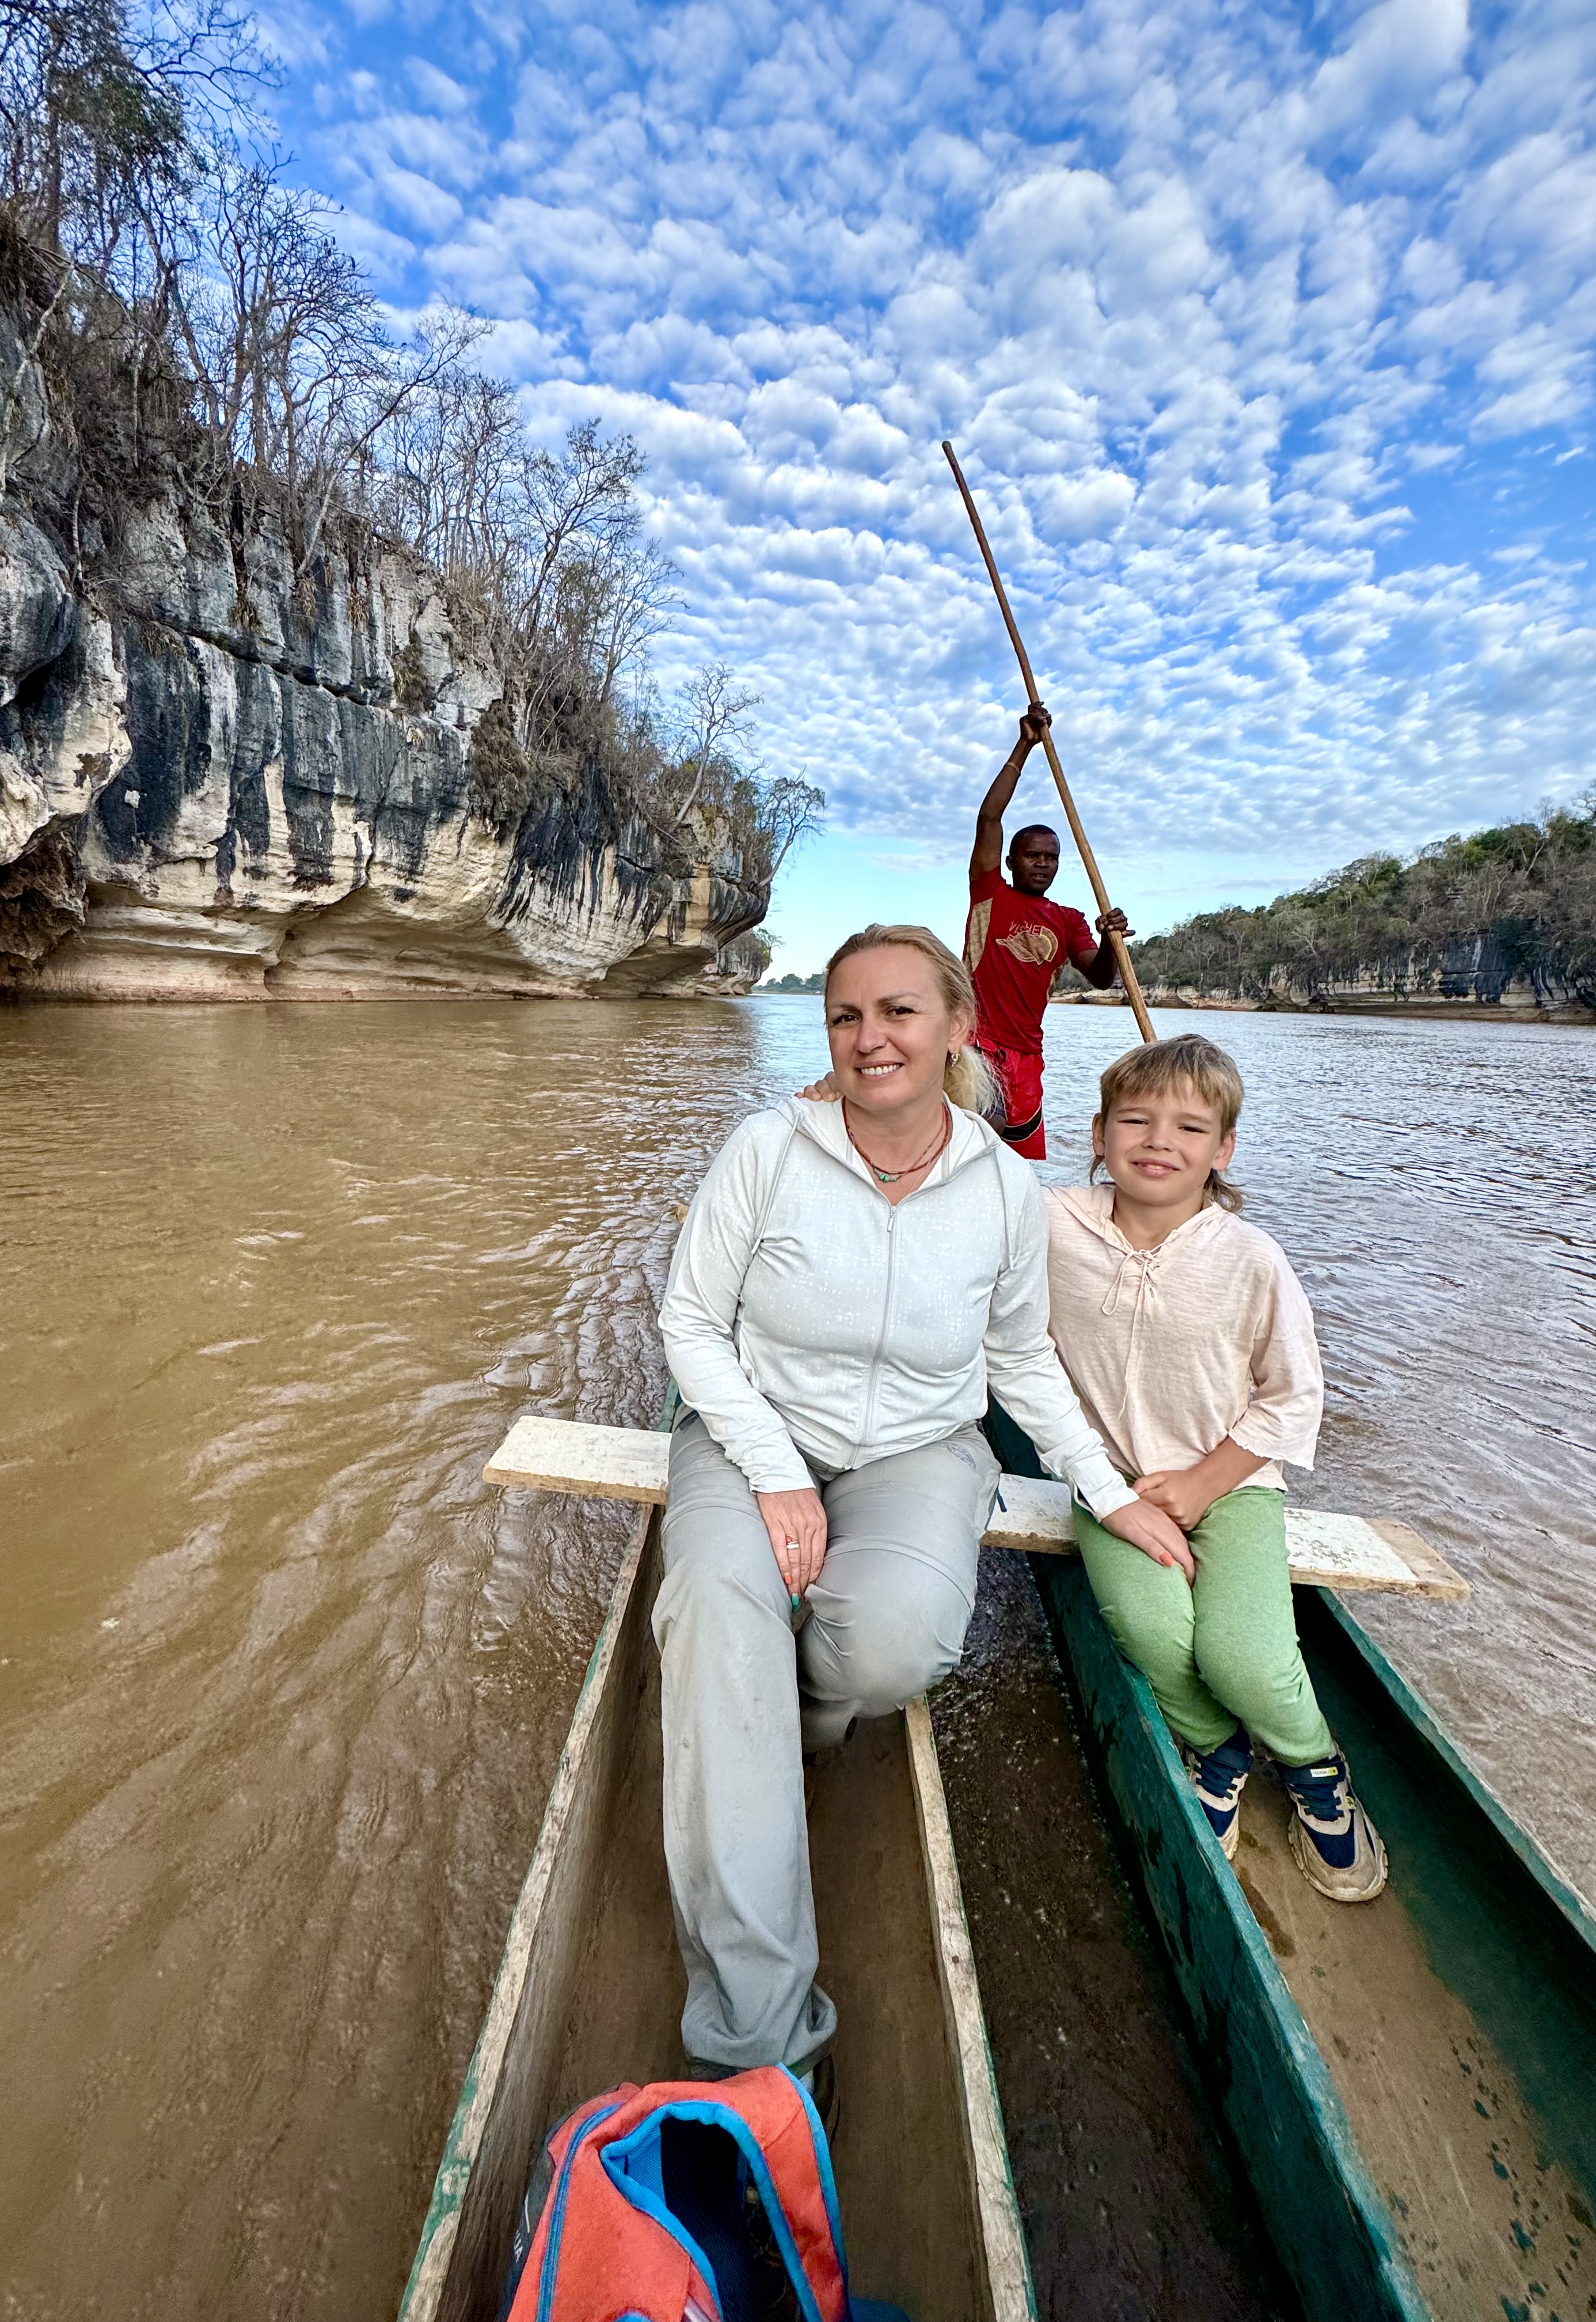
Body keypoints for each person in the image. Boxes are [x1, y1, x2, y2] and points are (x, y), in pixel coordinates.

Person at [655, 923, 1189, 2092]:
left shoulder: (1004, 1188)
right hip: (757, 1432)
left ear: (955, 1030)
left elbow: (1022, 1362)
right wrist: (774, 1472)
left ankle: (785, 1714)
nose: (869, 1036)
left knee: (893, 1645)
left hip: (922, 1447)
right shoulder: (767, 1150)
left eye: (898, 1011)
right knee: (709, 1606)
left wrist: (1107, 1492)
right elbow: (691, 1328)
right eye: (846, 1015)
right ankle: (757, 2039)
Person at [1044, 1032, 1388, 1902]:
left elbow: (1291, 1398)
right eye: (1136, 1119)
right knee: (1157, 1634)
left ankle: (1314, 1764)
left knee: (1243, 1654)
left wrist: (1202, 1484)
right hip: (1111, 1481)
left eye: (1191, 1128)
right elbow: (961, 1181)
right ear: (1098, 1133)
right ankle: (1219, 1745)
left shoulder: (1251, 1258)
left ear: (1223, 1150)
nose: (1160, 1141)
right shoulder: (1051, 1224)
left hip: (1230, 1481)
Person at [966, 703, 1132, 1158]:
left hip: (1028, 1055)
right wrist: (1026, 745)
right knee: (984, 1128)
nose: (1042, 863)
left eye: (1051, 857)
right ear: (1011, 861)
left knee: (1015, 1161)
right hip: (976, 1044)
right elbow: (988, 820)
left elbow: (1100, 977)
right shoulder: (989, 894)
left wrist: (1109, 940)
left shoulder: (1068, 919)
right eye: (1032, 855)